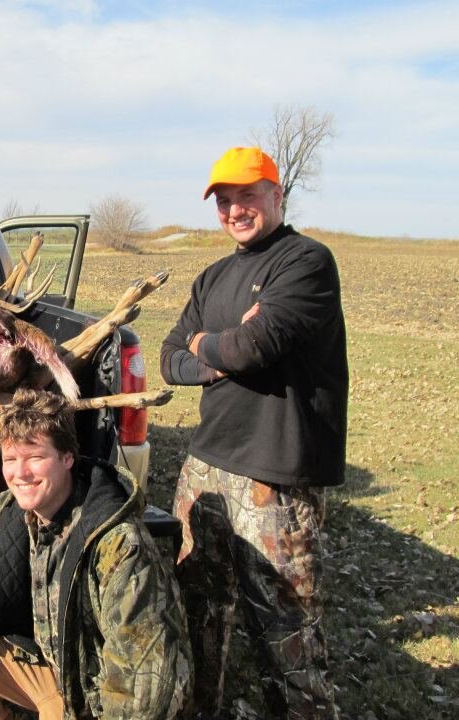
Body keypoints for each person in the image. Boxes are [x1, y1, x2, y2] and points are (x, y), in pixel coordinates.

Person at [160, 146, 347, 719]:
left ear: (277, 194)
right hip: (206, 467)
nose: (236, 210)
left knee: (287, 637)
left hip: (276, 475)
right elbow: (171, 358)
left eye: (248, 195)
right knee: (198, 614)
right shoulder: (213, 276)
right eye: (224, 200)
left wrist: (211, 346)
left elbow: (255, 344)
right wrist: (217, 354)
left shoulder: (305, 261)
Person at [0, 387, 192, 720]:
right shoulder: (9, 514)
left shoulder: (118, 545)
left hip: (96, 697)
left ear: (67, 457)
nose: (21, 474)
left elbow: (145, 679)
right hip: (50, 670)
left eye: (35, 457)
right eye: (10, 460)